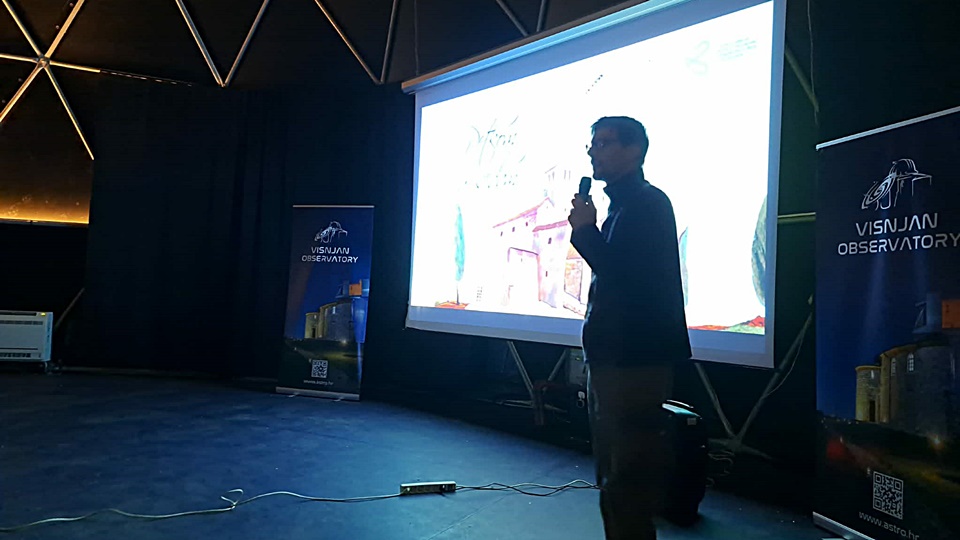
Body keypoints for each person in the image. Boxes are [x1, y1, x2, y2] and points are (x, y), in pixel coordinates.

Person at [568, 116, 691, 540]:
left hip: (634, 363)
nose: (593, 151)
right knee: (613, 473)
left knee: (627, 476)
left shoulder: (647, 204)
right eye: (592, 144)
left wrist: (585, 231)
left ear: (634, 150)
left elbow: (625, 277)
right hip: (614, 360)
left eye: (603, 143)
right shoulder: (624, 206)